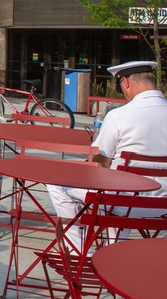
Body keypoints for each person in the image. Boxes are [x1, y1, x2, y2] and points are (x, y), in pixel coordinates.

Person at [46, 61, 167, 252]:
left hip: (124, 204)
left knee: (57, 184)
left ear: (126, 82)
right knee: (116, 190)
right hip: (163, 206)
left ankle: (78, 252)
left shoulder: (119, 116)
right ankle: (114, 249)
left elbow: (99, 162)